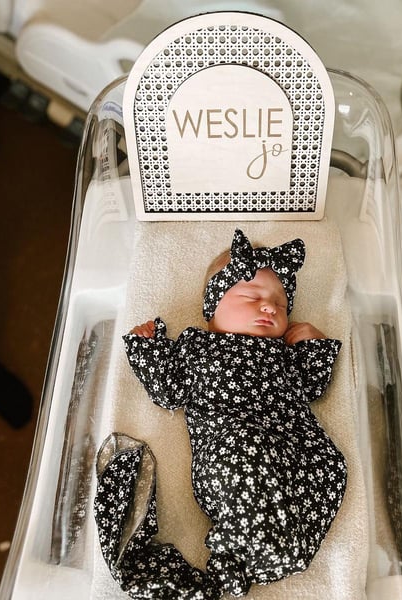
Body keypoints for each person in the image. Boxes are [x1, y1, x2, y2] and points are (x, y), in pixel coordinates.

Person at [94, 228, 347, 599]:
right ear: (212, 310)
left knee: (327, 465)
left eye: (280, 304)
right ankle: (242, 554)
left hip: (291, 449)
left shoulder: (284, 352)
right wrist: (149, 350)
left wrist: (314, 345)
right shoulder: (198, 347)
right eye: (252, 296)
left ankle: (277, 544)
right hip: (231, 451)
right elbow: (167, 391)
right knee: (242, 450)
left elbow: (312, 387)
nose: (269, 307)